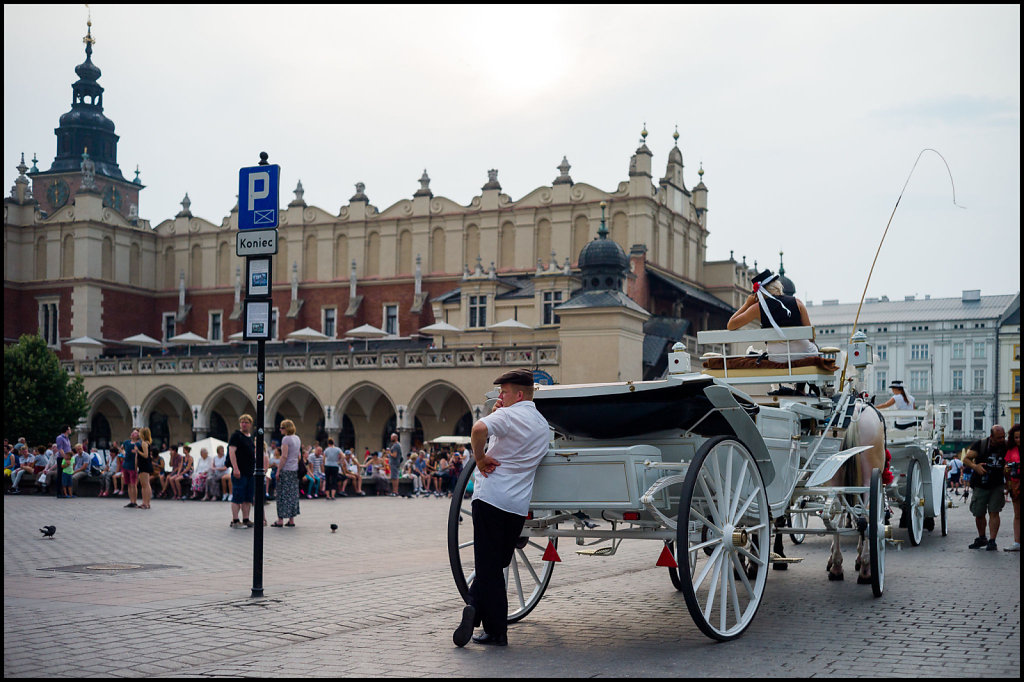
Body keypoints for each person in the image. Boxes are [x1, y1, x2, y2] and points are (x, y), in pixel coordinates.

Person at [453, 368, 550, 648]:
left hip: (491, 498)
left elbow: (478, 429)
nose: (500, 395)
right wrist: (501, 411)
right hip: (517, 506)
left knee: (487, 568)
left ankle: (494, 629)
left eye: (504, 391)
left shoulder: (507, 416)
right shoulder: (541, 424)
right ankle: (475, 609)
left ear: (519, 394)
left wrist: (480, 458)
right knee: (496, 564)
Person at [726, 269, 817, 362]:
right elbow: (810, 336)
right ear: (777, 285)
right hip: (804, 353)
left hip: (778, 358)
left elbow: (731, 325)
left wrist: (747, 304)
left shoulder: (757, 308)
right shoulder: (797, 302)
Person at [963, 425, 1008, 550]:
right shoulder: (981, 444)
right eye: (999, 437)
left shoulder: (1005, 445)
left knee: (995, 512)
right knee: (979, 513)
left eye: (1003, 436)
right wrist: (975, 466)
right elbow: (966, 459)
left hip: (997, 484)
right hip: (980, 484)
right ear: (991, 436)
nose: (1002, 439)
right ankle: (982, 537)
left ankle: (992, 540)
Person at [228, 414, 257, 528]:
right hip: (239, 471)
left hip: (250, 471)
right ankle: (235, 520)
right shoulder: (236, 436)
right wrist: (235, 468)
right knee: (237, 496)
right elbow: (231, 452)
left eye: (246, 422)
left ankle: (246, 519)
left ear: (250, 424)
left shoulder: (250, 437)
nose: (244, 424)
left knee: (248, 497)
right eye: (242, 422)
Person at [272, 419, 301, 527]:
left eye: (282, 427)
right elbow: (298, 456)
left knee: (282, 494)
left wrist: (278, 470)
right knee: (292, 494)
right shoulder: (297, 438)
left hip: (286, 470)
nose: (280, 429)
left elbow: (284, 456)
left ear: (286, 428)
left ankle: (280, 520)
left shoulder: (286, 439)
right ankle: (291, 519)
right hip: (294, 470)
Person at [1003, 424, 1020, 552]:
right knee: (1018, 515)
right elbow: (1006, 468)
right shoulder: (1011, 450)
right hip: (1016, 484)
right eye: (1016, 437)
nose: (1019, 439)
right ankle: (1017, 542)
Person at [136, 428, 155, 509]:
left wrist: (138, 451)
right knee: (146, 485)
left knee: (145, 485)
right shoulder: (147, 442)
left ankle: (146, 503)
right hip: (145, 465)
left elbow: (146, 455)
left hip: (144, 465)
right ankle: (146, 503)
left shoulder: (144, 443)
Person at [121, 430, 140, 508]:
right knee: (128, 484)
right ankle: (131, 501)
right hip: (126, 465)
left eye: (135, 433)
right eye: (132, 432)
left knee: (133, 484)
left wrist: (137, 452)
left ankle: (135, 501)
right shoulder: (126, 442)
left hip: (133, 466)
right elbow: (121, 448)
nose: (132, 434)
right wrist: (123, 453)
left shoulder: (138, 443)